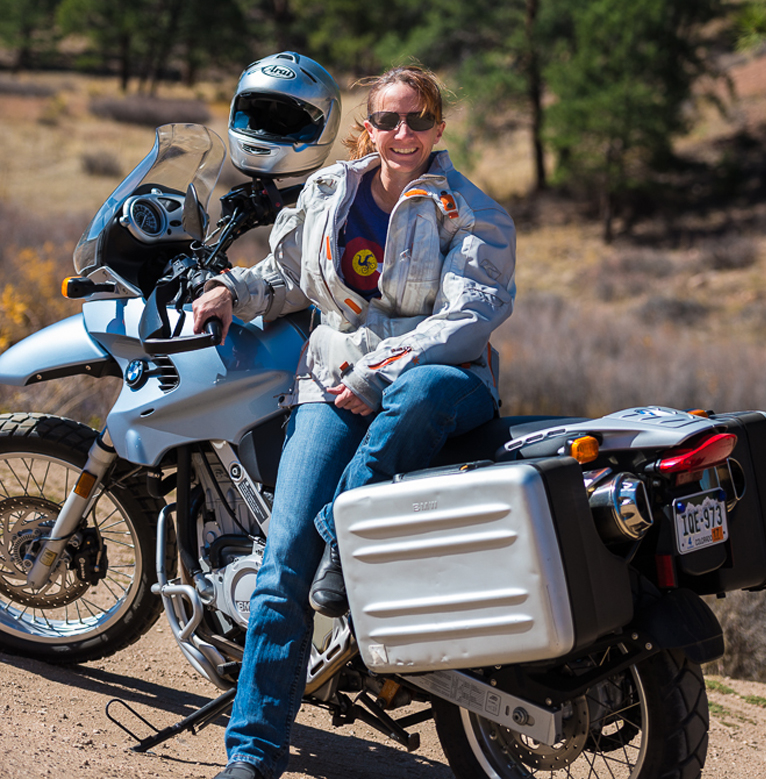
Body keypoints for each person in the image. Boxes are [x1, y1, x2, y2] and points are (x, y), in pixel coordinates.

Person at [192, 52, 516, 779]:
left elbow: (470, 314)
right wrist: (228, 290)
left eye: (419, 119)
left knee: (422, 390)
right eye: (389, 119)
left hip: (440, 381)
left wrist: (382, 370)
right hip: (332, 380)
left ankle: (340, 525)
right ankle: (252, 753)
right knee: (282, 567)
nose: (404, 131)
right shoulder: (330, 191)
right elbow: (286, 276)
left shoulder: (475, 212)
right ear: (367, 128)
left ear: (438, 126)